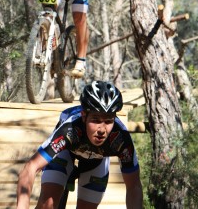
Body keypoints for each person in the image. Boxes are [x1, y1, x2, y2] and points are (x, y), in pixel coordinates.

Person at [16, 81, 143, 209]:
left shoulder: (121, 138)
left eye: (109, 121)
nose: (102, 129)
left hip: (97, 160)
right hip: (65, 152)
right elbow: (31, 167)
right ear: (83, 116)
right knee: (48, 203)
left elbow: (134, 186)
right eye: (96, 120)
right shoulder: (70, 129)